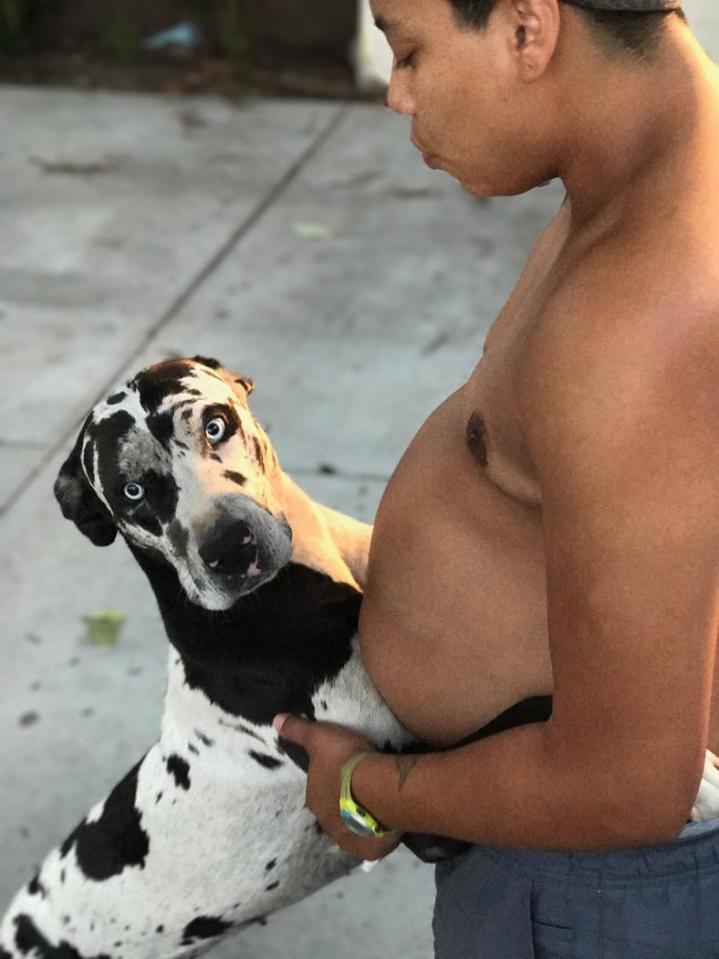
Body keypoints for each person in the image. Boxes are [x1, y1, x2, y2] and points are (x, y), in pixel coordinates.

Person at [274, 0, 719, 954]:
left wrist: (373, 790)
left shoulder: (641, 308)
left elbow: (626, 782)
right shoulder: (642, 185)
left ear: (526, 27)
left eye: (408, 49)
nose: (395, 94)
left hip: (592, 896)